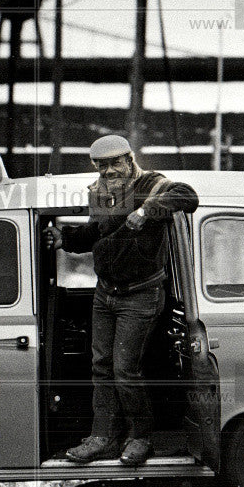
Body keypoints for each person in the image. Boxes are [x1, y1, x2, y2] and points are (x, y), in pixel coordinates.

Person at [45, 135, 198, 467]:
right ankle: (102, 438)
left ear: (130, 160)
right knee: (101, 368)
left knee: (125, 370)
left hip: (141, 293)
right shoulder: (100, 192)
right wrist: (65, 238)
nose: (110, 170)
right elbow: (101, 233)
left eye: (116, 163)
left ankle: (140, 438)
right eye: (103, 165)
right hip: (106, 293)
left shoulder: (153, 184)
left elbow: (187, 195)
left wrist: (146, 210)